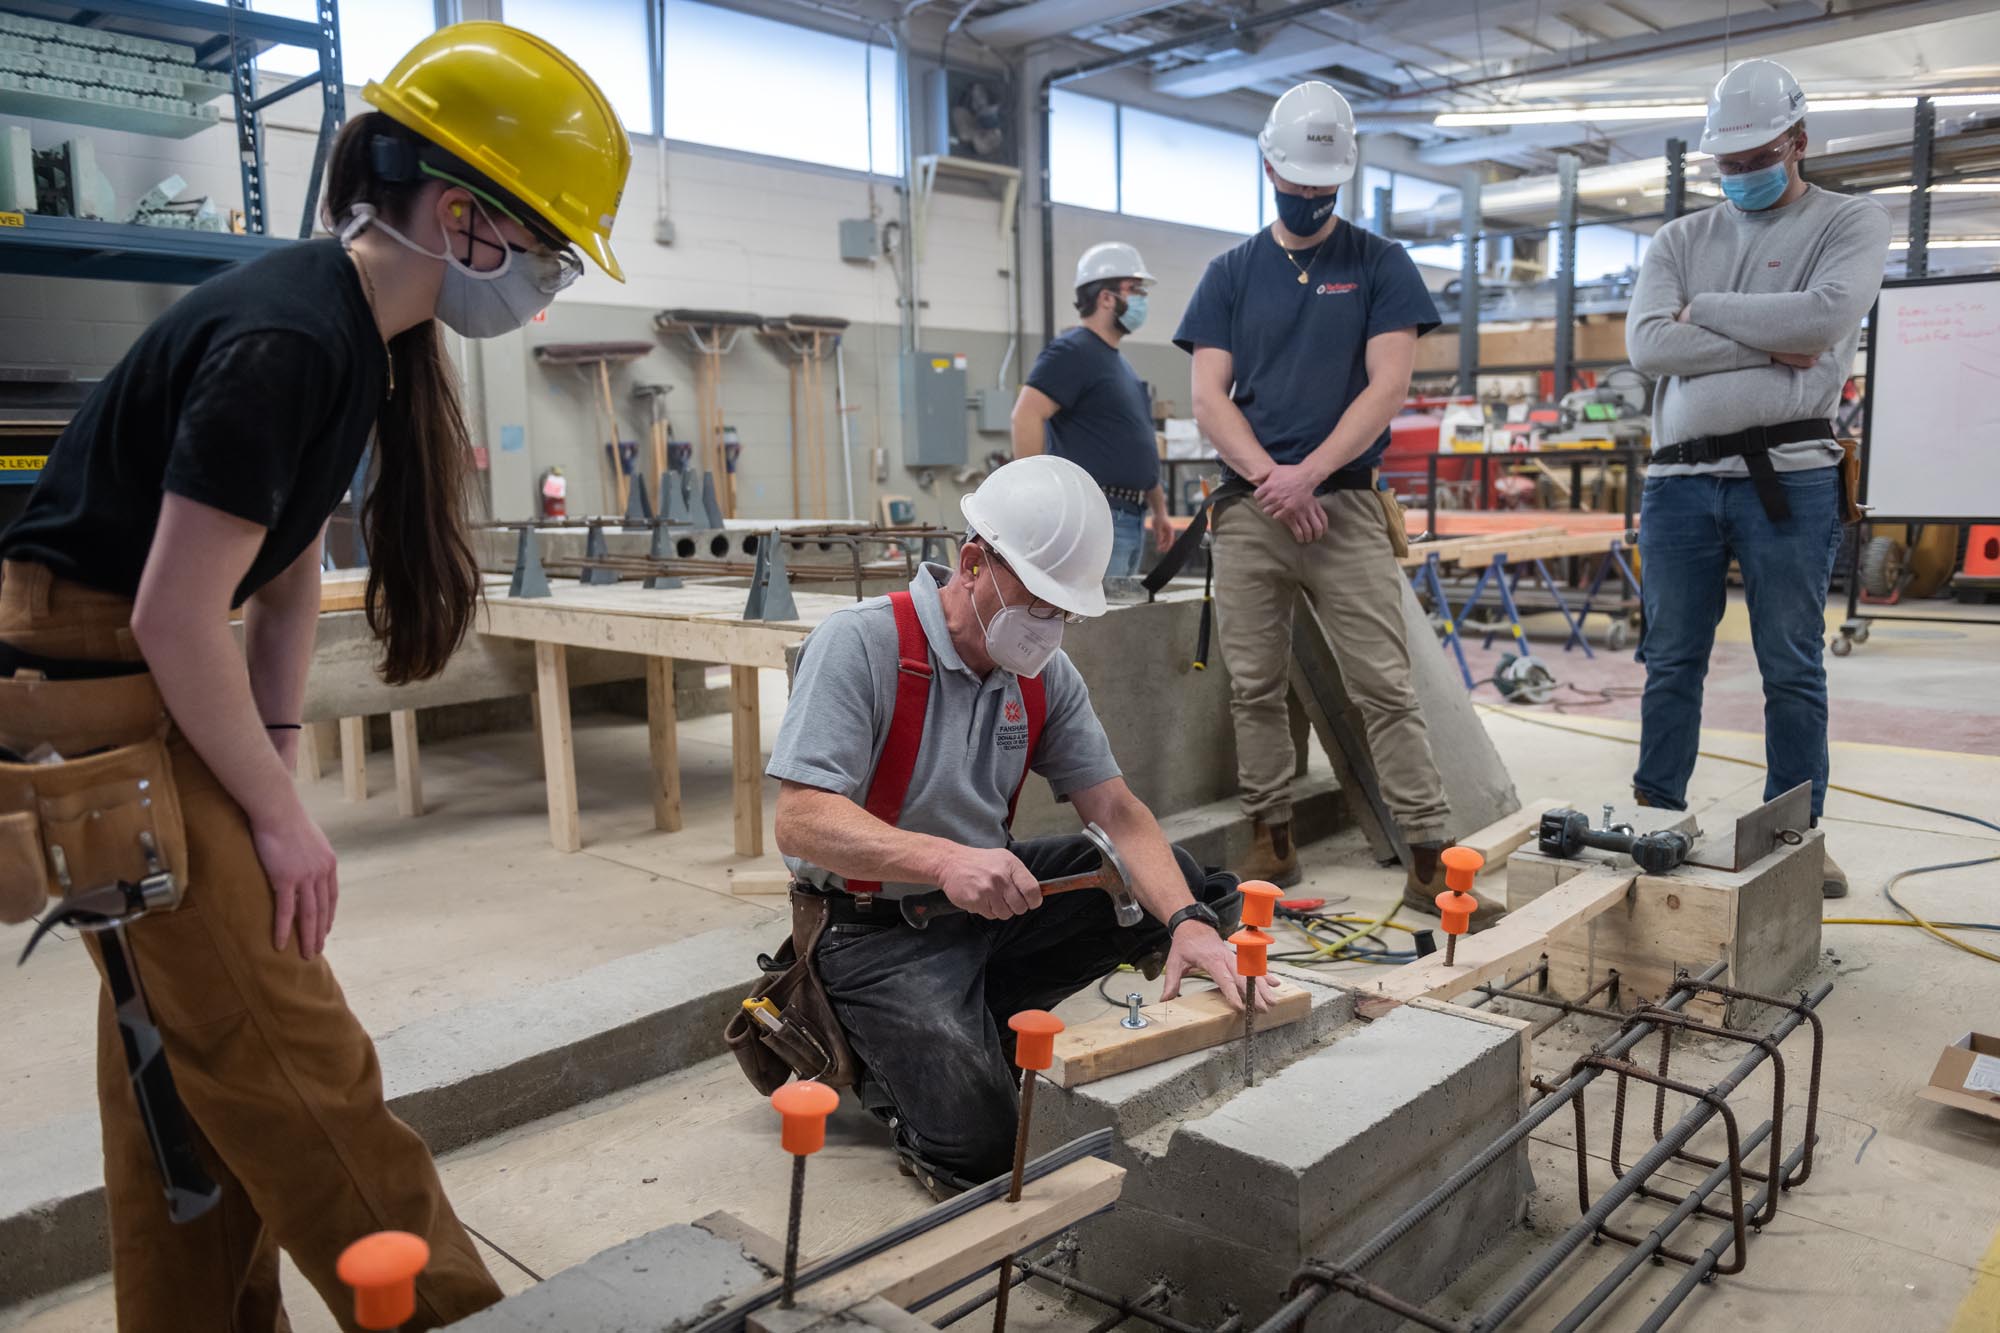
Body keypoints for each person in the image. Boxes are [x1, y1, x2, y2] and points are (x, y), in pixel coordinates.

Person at [0, 23, 630, 1330]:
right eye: (550, 253)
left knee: (179, 1054)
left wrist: (273, 761)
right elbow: (183, 613)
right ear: (461, 220)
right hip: (91, 671)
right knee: (293, 1055)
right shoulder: (293, 337)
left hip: (123, 664)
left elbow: (280, 574)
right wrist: (278, 823)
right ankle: (455, 1315)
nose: (549, 290)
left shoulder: (360, 338)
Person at [765, 454, 1268, 1196]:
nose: (1049, 626)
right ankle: (878, 1055)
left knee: (1189, 889)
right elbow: (800, 819)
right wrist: (942, 861)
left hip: (986, 909)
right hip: (874, 927)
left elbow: (1118, 813)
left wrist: (1189, 921)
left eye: (1063, 610)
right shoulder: (863, 644)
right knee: (987, 1144)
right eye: (1038, 600)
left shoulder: (1042, 676)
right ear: (973, 563)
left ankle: (977, 1014)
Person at [1172, 81, 1487, 923]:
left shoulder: (1380, 264)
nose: (1310, 199)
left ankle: (1429, 857)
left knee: (1384, 687)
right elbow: (1209, 398)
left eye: (1325, 188)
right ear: (1268, 164)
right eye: (1298, 183)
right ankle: (1270, 837)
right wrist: (1275, 482)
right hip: (1250, 513)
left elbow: (1387, 388)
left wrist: (1306, 474)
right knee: (1255, 686)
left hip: (1340, 507)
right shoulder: (1230, 274)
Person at [1626, 59, 1890, 900]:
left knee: (1791, 662)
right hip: (1676, 485)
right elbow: (1647, 347)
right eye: (1728, 165)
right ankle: (1653, 817)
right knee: (1671, 658)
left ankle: (1796, 837)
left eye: (1756, 158)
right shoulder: (1678, 242)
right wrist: (1771, 337)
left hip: (1791, 476)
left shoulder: (1851, 221)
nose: (1741, 176)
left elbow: (1823, 320)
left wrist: (1701, 311)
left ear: (1798, 140)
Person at [1012, 243, 1174, 578]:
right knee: (1095, 628)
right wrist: (1033, 498)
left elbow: (1138, 442)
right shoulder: (1072, 352)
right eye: (1135, 289)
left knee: (1114, 626)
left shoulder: (1120, 365)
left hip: (1129, 516)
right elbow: (1025, 415)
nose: (1142, 298)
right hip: (1096, 516)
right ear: (1105, 297)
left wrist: (1159, 509)